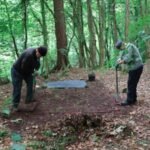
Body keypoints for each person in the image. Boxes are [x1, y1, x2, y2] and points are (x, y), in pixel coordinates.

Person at [11, 46, 48, 111]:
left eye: (41, 56)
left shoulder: (38, 54)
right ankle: (15, 105)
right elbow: (24, 67)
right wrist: (33, 72)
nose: (40, 57)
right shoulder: (29, 55)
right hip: (17, 71)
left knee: (32, 82)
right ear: (37, 50)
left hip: (26, 71)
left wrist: (36, 70)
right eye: (39, 55)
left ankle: (29, 100)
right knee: (17, 88)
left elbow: (37, 64)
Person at [115, 40, 143, 106]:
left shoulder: (130, 47)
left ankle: (129, 101)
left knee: (130, 84)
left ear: (122, 45)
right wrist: (119, 59)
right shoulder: (124, 49)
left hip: (137, 67)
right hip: (133, 68)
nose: (121, 49)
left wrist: (122, 61)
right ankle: (133, 99)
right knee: (133, 84)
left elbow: (128, 58)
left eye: (120, 48)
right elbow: (120, 55)